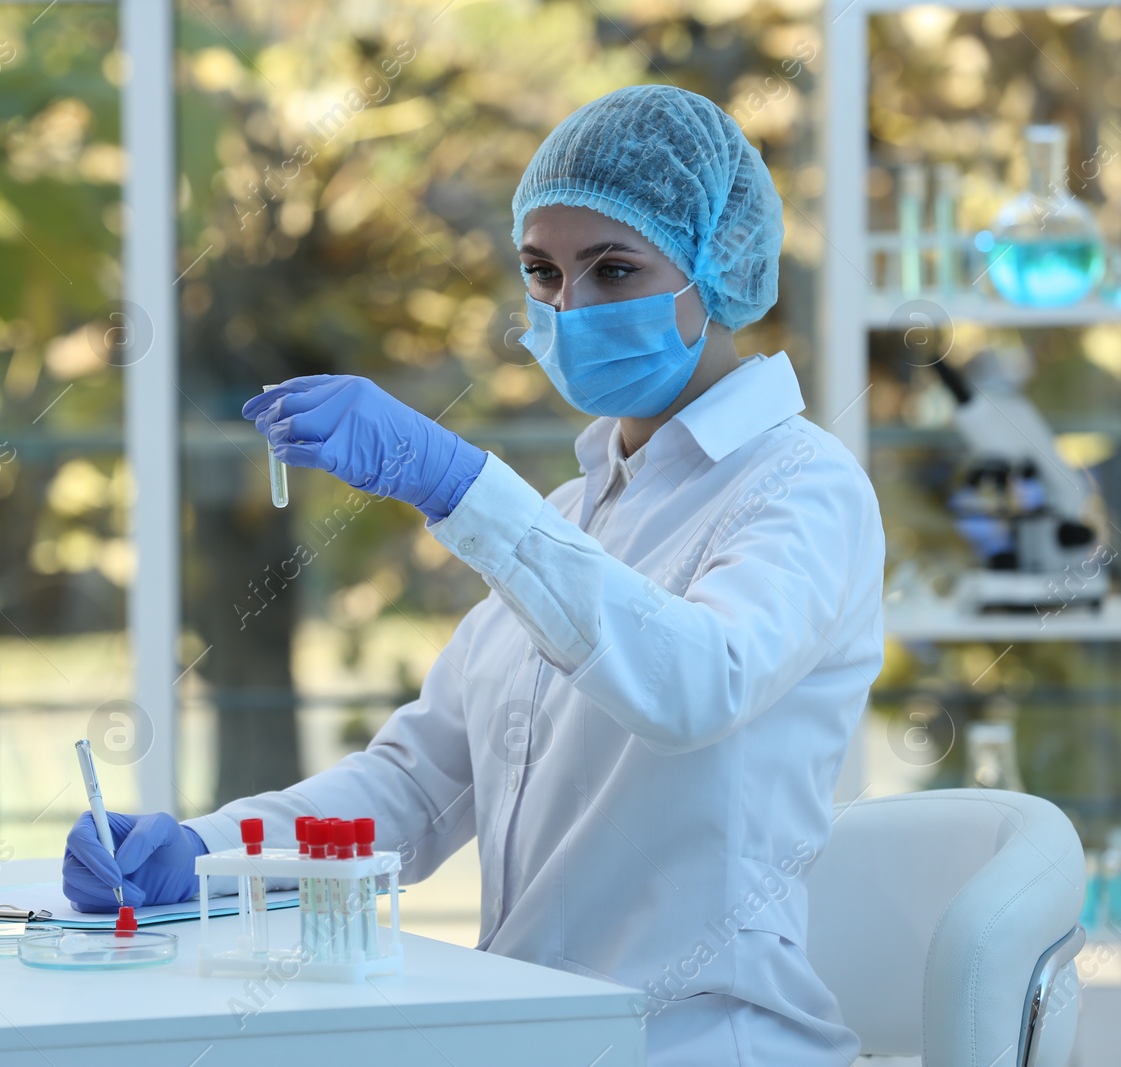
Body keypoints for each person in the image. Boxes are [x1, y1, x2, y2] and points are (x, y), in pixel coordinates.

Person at [64, 84, 882, 1066]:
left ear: (717, 268)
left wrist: (458, 484)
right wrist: (206, 852)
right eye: (541, 272)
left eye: (611, 269)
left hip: (707, 1038)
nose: (567, 307)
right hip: (534, 1030)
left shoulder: (802, 486)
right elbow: (414, 787)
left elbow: (693, 682)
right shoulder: (574, 515)